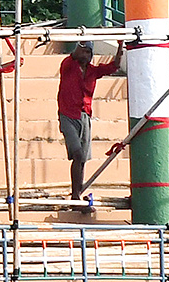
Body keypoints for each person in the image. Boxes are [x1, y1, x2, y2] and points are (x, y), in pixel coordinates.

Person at [58, 40, 123, 212]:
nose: (86, 55)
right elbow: (74, 54)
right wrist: (82, 40)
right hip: (67, 114)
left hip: (84, 115)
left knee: (83, 158)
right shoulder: (68, 65)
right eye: (84, 52)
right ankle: (75, 195)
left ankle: (77, 195)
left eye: (89, 53)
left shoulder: (93, 71)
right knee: (78, 153)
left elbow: (114, 66)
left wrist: (120, 45)